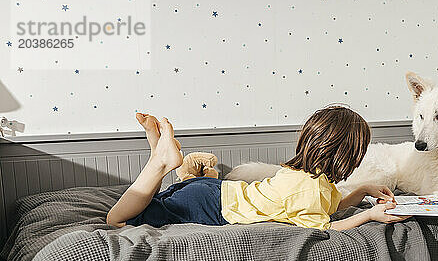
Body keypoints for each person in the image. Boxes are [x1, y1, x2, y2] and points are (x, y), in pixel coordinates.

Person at [106, 106, 410, 230]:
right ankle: (158, 161)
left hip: (215, 191)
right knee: (117, 220)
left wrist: (361, 192)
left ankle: (158, 152)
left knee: (150, 204)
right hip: (211, 206)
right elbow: (328, 226)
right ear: (347, 156)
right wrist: (370, 215)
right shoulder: (311, 191)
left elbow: (331, 207)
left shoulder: (310, 178)